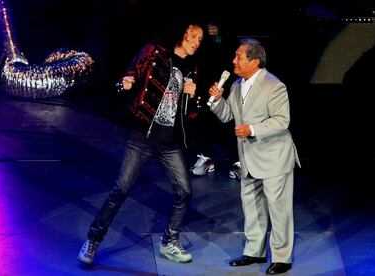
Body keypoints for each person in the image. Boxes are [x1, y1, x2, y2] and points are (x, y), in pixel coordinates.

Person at [77, 19, 204, 265]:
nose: (197, 43)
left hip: (170, 142)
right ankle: (93, 240)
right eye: (193, 37)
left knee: (184, 192)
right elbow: (129, 77)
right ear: (181, 34)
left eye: (200, 40)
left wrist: (193, 96)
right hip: (141, 138)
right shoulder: (154, 53)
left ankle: (169, 241)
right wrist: (125, 84)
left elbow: (191, 115)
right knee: (120, 190)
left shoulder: (191, 69)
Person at [208, 38, 300, 275]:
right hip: (249, 158)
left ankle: (282, 257)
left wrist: (252, 129)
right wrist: (218, 101)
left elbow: (282, 120)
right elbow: (229, 115)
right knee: (253, 208)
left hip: (274, 158)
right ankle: (254, 252)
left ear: (255, 61)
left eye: (239, 56)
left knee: (278, 210)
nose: (234, 61)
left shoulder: (274, 85)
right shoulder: (238, 85)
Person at [186, 22, 241, 179]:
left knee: (231, 114)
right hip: (204, 70)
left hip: (228, 70)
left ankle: (237, 160)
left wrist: (221, 32)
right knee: (203, 113)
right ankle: (206, 157)